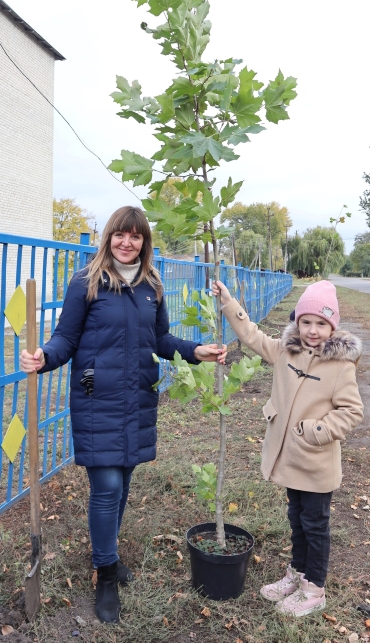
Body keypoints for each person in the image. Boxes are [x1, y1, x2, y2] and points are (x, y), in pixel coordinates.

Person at [21, 206, 226, 623]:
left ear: (144, 242)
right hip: (98, 396)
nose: (127, 243)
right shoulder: (86, 282)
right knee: (107, 485)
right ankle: (107, 575)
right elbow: (66, 337)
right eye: (120, 235)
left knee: (125, 481)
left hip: (137, 396)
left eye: (136, 236)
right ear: (109, 237)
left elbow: (161, 338)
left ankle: (104, 556)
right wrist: (44, 357)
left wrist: (196, 351)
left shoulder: (152, 284)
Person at [211, 279, 363, 617]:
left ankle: (314, 589)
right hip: (289, 459)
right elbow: (250, 335)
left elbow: (352, 411)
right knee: (296, 519)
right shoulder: (284, 350)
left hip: (316, 463)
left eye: (321, 323)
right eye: (306, 321)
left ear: (332, 326)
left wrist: (316, 431)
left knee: (315, 525)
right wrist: (228, 301)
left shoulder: (340, 366)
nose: (312, 330)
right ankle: (297, 573)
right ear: (297, 321)